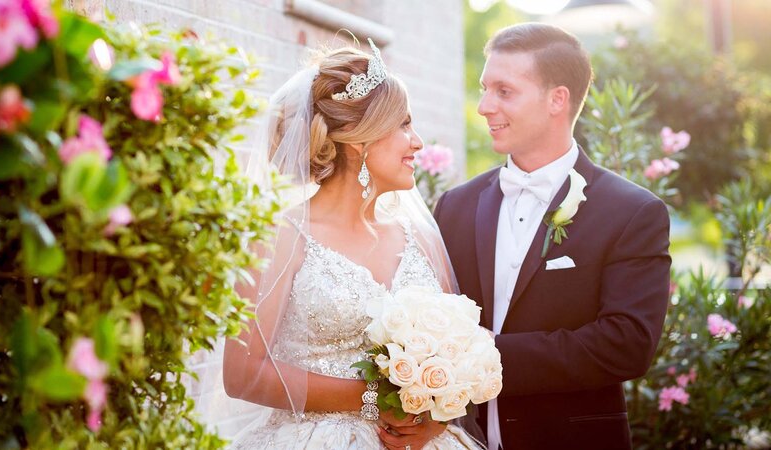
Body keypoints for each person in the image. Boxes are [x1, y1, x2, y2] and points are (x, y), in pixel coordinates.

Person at [221, 39, 483, 450]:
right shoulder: (278, 236)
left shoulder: (421, 239)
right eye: (403, 125)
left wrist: (433, 418)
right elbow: (243, 374)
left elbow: (457, 361)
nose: (417, 142)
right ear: (359, 141)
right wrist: (375, 400)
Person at [432, 23, 671, 450]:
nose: (485, 106)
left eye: (504, 91)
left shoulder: (632, 212)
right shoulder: (455, 206)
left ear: (557, 99)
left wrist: (491, 353)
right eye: (485, 88)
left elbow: (627, 344)